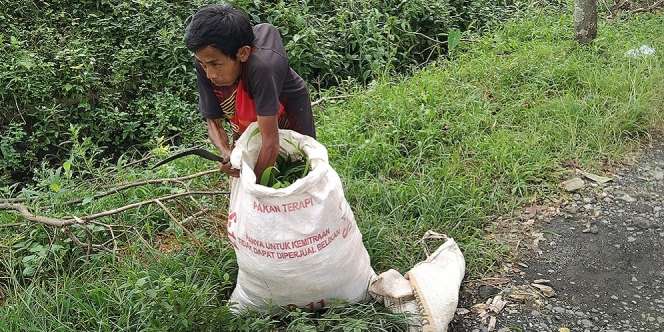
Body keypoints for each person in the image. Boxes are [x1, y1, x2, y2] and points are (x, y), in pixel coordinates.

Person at [184, 4, 316, 180]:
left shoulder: (263, 67)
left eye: (215, 64)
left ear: (243, 53)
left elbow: (271, 142)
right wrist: (226, 153)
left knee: (298, 166)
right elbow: (213, 123)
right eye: (203, 64)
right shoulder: (207, 62)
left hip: (285, 108)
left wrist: (253, 183)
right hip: (244, 114)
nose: (210, 74)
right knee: (244, 157)